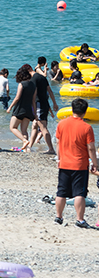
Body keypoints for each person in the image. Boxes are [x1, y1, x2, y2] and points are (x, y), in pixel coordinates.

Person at [53, 98, 99, 228]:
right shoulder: (87, 127)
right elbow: (90, 147)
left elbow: (58, 142)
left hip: (64, 162)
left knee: (61, 191)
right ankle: (80, 219)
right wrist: (94, 163)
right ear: (85, 112)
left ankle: (58, 217)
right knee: (80, 193)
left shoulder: (61, 124)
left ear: (72, 109)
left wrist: (59, 158)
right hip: (79, 164)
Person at [29, 57, 58, 154]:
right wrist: (54, 103)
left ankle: (51, 149)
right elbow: (49, 90)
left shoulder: (35, 78)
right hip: (43, 104)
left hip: (39, 104)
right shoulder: (40, 74)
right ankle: (29, 146)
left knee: (42, 127)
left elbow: (34, 93)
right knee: (34, 126)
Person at [8, 66, 37, 150]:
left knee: (13, 127)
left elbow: (17, 97)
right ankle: (26, 149)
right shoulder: (34, 86)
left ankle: (24, 141)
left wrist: (10, 107)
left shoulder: (21, 84)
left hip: (20, 109)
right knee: (24, 131)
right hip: (28, 111)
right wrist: (34, 113)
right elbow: (33, 101)